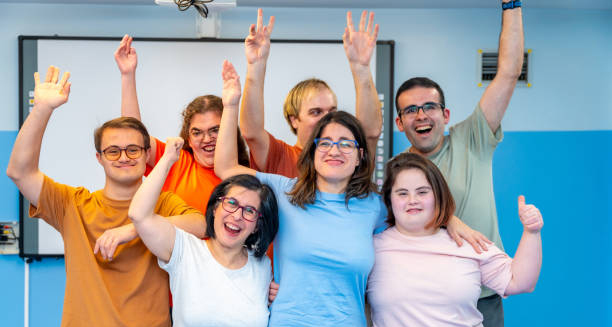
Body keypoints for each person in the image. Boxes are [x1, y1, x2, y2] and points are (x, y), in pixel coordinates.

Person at [214, 60, 485, 327]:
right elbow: (226, 166)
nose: (334, 151)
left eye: (346, 143)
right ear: (313, 152)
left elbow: (418, 212)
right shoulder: (285, 191)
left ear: (359, 157)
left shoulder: (375, 206)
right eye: (326, 143)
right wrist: (230, 104)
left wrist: (452, 220)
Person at [6, 66, 205, 327]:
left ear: (147, 155)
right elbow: (19, 172)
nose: (124, 157)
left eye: (133, 149)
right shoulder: (73, 204)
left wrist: (134, 229)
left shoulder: (165, 204)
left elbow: (200, 224)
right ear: (99, 158)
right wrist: (42, 108)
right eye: (113, 151)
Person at [394, 2, 524, 324]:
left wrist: (511, 6)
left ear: (445, 115)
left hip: (483, 295)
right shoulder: (397, 171)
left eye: (429, 106)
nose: (421, 115)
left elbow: (508, 73)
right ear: (399, 123)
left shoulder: (472, 138)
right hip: (425, 297)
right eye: (411, 110)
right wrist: (447, 219)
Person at [367, 152, 543, 327]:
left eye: (422, 192)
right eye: (402, 193)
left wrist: (531, 232)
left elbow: (520, 281)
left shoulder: (466, 242)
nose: (413, 200)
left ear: (438, 195)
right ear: (389, 199)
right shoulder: (370, 249)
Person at [128, 135, 279, 327]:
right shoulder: (184, 249)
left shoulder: (263, 265)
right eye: (231, 203)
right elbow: (139, 215)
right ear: (215, 208)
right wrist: (167, 160)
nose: (237, 215)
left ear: (257, 224)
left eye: (249, 211)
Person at [239, 9, 382, 178]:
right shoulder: (281, 156)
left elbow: (370, 134)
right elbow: (252, 132)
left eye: (332, 111)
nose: (327, 118)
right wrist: (256, 66)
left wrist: (361, 69)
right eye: (316, 112)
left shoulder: (347, 157)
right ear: (294, 120)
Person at [114, 35, 249, 214]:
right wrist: (127, 75)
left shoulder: (248, 174)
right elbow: (134, 137)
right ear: (189, 139)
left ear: (229, 131)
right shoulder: (176, 163)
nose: (207, 139)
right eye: (197, 132)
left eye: (215, 130)